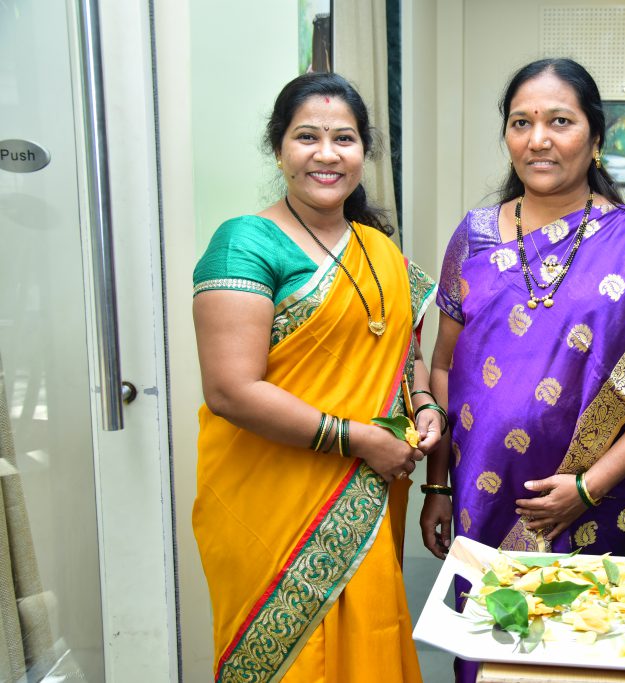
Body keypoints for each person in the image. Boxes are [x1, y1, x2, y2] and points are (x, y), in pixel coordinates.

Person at [421, 56, 625, 567]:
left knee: (585, 616)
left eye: (560, 121)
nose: (538, 139)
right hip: (480, 491)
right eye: (521, 123)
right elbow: (443, 367)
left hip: (595, 502)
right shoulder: (474, 236)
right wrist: (438, 486)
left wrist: (588, 487)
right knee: (488, 617)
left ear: (595, 137)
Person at [192, 72, 436, 683]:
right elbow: (230, 390)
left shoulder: (379, 250)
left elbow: (404, 350)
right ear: (278, 148)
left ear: (363, 152)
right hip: (271, 502)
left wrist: (425, 401)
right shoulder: (244, 243)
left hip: (364, 497)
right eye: (307, 137)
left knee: (368, 642)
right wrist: (361, 440)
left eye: (344, 139)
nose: (327, 154)